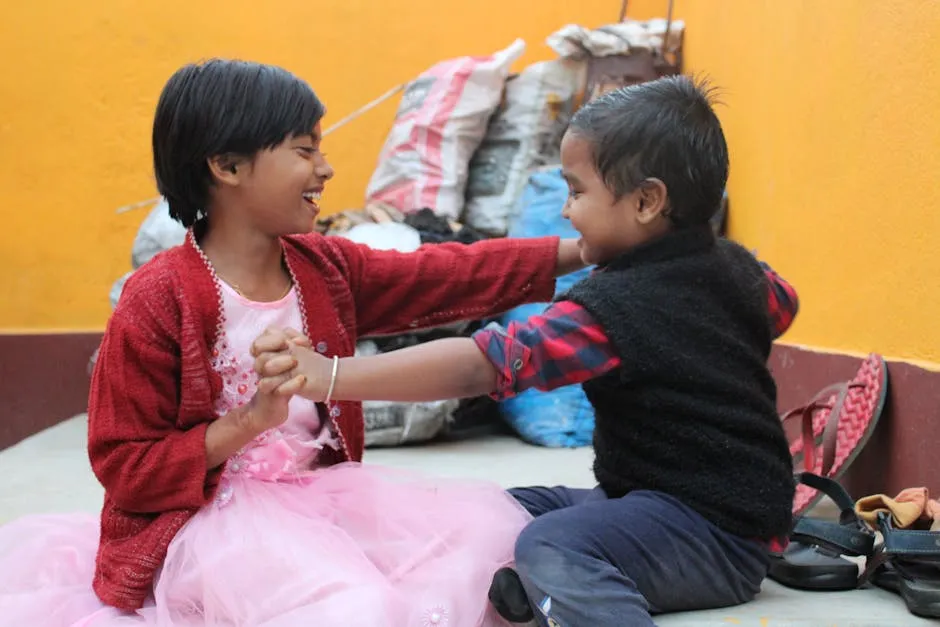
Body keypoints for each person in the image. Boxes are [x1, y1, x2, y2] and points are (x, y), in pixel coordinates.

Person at [0, 59, 589, 626]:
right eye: (305, 150)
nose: (326, 168)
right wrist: (250, 420)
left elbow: (443, 274)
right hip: (207, 528)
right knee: (353, 608)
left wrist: (579, 251)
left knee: (490, 550)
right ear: (227, 167)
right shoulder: (156, 300)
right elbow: (126, 466)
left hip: (321, 499)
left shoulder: (322, 267)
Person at [253, 76, 800, 627]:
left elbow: (482, 364)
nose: (566, 211)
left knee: (551, 545)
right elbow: (783, 304)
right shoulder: (737, 269)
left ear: (646, 201)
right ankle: (538, 594)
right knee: (502, 510)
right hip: (664, 501)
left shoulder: (615, 310)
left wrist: (333, 376)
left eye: (577, 192)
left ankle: (568, 596)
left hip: (716, 537)